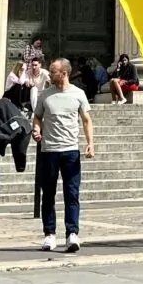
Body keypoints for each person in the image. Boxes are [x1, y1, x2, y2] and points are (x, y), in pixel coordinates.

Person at [32, 57, 94, 252]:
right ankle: (49, 234)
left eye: (53, 71)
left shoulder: (79, 94)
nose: (49, 74)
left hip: (70, 151)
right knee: (48, 194)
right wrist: (36, 130)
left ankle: (72, 233)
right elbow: (37, 117)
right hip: (48, 150)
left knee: (72, 193)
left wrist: (90, 143)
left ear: (64, 73)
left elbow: (86, 120)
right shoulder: (45, 95)